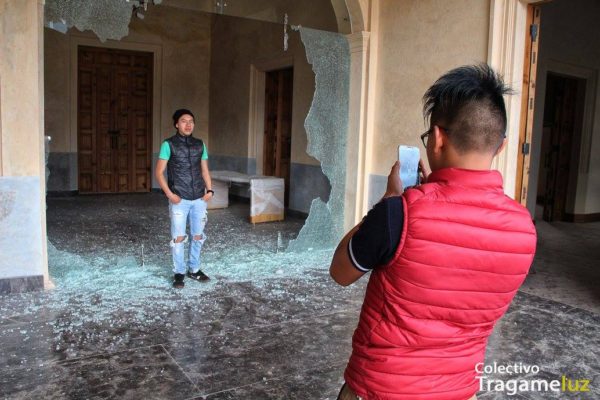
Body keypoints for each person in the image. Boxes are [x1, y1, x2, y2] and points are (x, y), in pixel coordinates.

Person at [330, 64, 537, 400]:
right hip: (459, 390)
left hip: (382, 388)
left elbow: (340, 271)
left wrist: (389, 201)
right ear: (499, 147)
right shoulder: (524, 229)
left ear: (438, 138)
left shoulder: (400, 213)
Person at [155, 109, 214, 288]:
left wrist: (210, 190)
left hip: (199, 199)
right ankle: (179, 272)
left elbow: (204, 170)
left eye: (191, 121)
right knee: (179, 237)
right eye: (183, 121)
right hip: (179, 199)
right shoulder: (168, 144)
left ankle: (194, 269)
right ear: (176, 124)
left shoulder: (200, 144)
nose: (188, 124)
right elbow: (159, 172)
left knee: (197, 236)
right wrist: (170, 194)